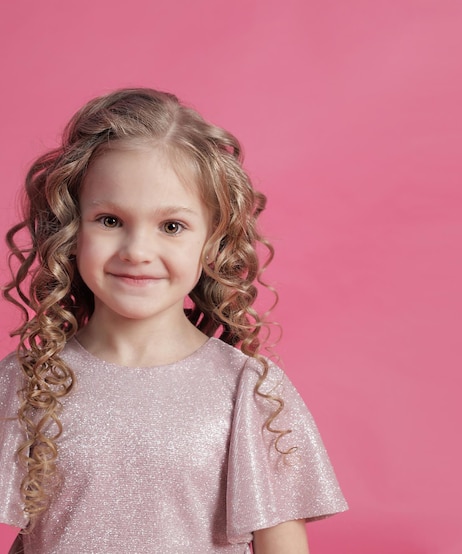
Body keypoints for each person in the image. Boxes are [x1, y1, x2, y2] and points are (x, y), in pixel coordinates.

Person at [0, 88, 347, 553]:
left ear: (213, 240)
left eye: (171, 226)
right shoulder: (28, 382)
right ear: (70, 227)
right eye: (109, 220)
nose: (137, 251)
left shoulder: (249, 390)